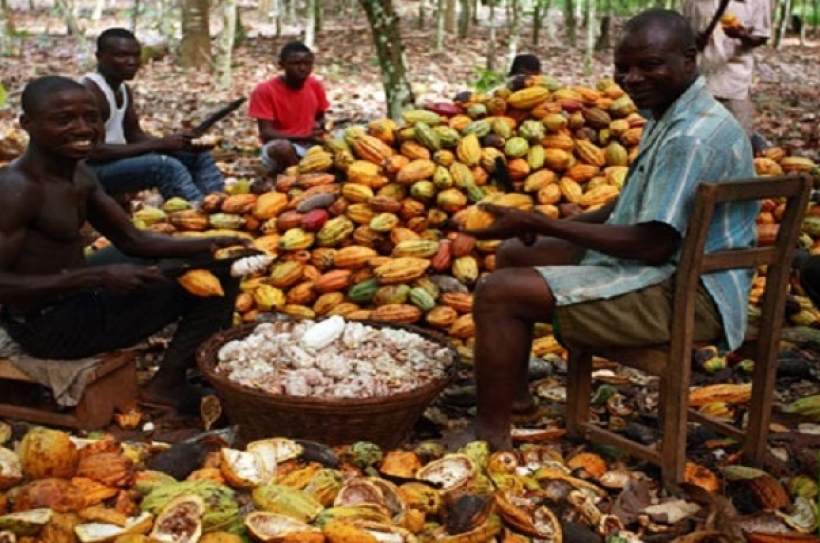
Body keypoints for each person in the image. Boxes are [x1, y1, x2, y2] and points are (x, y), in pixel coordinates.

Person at [460, 9, 759, 451]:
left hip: (688, 294)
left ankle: (489, 437)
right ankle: (516, 398)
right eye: (623, 67)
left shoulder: (689, 137)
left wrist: (540, 221)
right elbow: (628, 209)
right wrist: (547, 229)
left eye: (649, 65)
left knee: (498, 292)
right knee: (515, 256)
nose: (632, 78)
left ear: (689, 57)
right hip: (671, 268)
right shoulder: (671, 113)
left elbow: (652, 244)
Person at [0, 76, 246, 414]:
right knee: (221, 273)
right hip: (50, 329)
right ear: (27, 124)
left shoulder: (80, 174)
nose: (83, 128)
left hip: (76, 293)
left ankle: (176, 370)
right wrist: (97, 278)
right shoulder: (17, 189)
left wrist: (208, 241)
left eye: (92, 117)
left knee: (210, 256)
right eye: (63, 119)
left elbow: (133, 239)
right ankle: (168, 383)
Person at [81, 28, 225, 203]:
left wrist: (175, 144)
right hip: (90, 171)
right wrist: (161, 144)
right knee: (164, 166)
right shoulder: (89, 93)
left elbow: (135, 136)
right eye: (122, 56)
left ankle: (218, 204)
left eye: (136, 55)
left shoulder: (122, 89)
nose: (132, 62)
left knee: (196, 156)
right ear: (99, 56)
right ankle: (194, 215)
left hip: (114, 160)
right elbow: (93, 152)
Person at [681, 0, 771, 149]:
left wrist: (742, 35)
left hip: (734, 81)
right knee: (696, 140)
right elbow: (681, 30)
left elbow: (762, 36)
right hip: (697, 80)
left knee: (737, 142)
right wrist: (692, 40)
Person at [248, 41, 330, 174]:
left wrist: (319, 126)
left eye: (307, 63)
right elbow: (267, 133)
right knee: (282, 147)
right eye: (295, 64)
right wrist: (304, 137)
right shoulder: (264, 90)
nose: (302, 68)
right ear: (282, 65)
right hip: (283, 146)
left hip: (311, 144)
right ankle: (296, 178)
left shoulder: (315, 85)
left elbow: (320, 116)